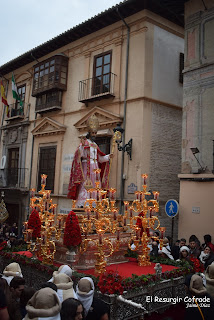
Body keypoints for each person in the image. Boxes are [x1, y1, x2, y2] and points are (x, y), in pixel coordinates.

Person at [67, 114, 113, 207]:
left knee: (96, 185)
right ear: (89, 133)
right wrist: (83, 147)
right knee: (86, 184)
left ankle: (95, 202)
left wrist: (108, 156)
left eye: (95, 133)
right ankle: (84, 203)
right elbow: (80, 155)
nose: (94, 135)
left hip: (95, 168)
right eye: (93, 133)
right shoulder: (85, 143)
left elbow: (99, 159)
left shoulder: (95, 145)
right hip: (86, 167)